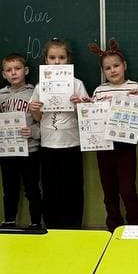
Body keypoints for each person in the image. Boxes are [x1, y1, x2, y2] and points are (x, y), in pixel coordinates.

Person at [87, 38, 138, 231]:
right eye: (107, 68)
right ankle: (113, 226)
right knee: (109, 191)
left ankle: (137, 226)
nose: (112, 70)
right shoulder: (99, 91)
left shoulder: (135, 88)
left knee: (127, 190)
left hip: (126, 147)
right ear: (103, 71)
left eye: (116, 66)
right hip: (103, 146)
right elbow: (91, 120)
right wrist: (87, 108)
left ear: (124, 66)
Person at [29, 38, 86, 229]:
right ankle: (52, 227)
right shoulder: (39, 86)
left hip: (71, 144)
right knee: (51, 190)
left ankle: (74, 227)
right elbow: (37, 118)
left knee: (73, 190)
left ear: (68, 59)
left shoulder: (77, 84)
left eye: (61, 57)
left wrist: (80, 105)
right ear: (46, 60)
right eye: (52, 57)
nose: (57, 62)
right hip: (48, 145)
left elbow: (85, 117)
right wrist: (35, 108)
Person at [0, 51, 41, 228]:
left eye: (17, 68)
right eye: (9, 70)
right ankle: (9, 220)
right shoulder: (0, 95)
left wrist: (33, 131)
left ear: (26, 70)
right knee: (9, 188)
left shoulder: (35, 93)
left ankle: (35, 222)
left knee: (32, 188)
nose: (13, 73)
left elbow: (42, 122)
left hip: (30, 149)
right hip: (7, 151)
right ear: (4, 74)